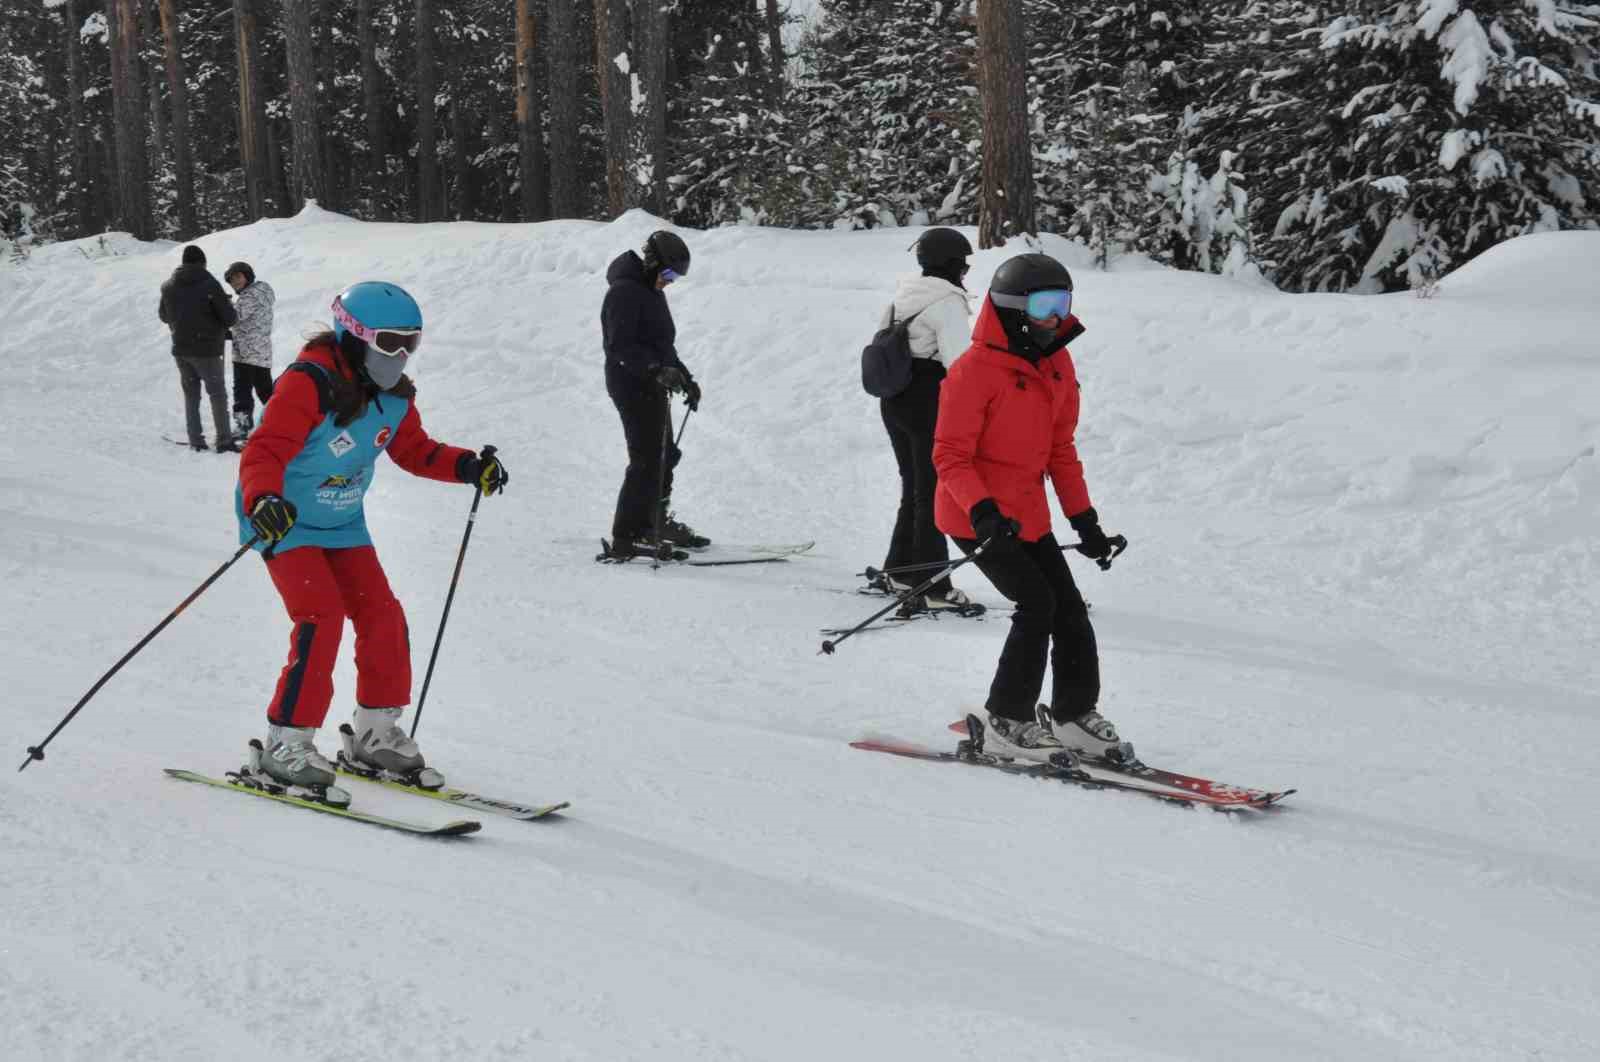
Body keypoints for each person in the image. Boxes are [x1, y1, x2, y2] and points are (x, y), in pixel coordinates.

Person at [235, 281, 508, 804]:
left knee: (383, 614)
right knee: (320, 615)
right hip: (283, 520)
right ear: (353, 336)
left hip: (342, 522)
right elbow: (265, 449)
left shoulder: (394, 398)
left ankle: (374, 733)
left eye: (412, 342)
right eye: (390, 342)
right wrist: (263, 499)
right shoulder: (307, 383)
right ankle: (285, 743)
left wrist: (467, 465)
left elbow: (415, 451)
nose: (401, 354)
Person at [932, 252, 1130, 765]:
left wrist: (1085, 522)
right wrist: (982, 512)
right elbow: (949, 456)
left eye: (1063, 303)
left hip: (1028, 515)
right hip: (973, 514)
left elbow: (1060, 449)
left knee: (1068, 607)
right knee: (1036, 605)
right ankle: (1005, 719)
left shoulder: (1057, 363)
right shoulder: (973, 371)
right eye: (1046, 304)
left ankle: (1073, 716)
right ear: (1013, 308)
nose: (1057, 316)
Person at [876, 227, 975, 609]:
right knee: (932, 492)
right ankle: (932, 584)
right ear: (951, 263)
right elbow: (959, 363)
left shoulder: (904, 295)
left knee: (914, 487)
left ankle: (899, 571)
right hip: (927, 401)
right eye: (963, 264)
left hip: (894, 399)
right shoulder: (947, 302)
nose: (965, 271)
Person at [601, 229, 708, 558]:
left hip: (652, 383)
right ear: (652, 263)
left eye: (677, 276)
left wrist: (685, 379)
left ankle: (654, 522)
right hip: (630, 383)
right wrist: (654, 370)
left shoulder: (651, 290)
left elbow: (663, 345)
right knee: (646, 459)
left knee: (665, 455)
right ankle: (627, 534)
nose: (672, 281)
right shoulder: (623, 293)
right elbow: (619, 346)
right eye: (670, 273)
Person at [159, 244, 237, 452]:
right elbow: (229, 318)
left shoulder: (168, 286)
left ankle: (196, 440)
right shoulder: (209, 284)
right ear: (202, 262)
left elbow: (164, 316)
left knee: (192, 395)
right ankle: (224, 440)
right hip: (208, 349)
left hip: (181, 349)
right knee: (217, 394)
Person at [224, 261, 276, 440]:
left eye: (238, 276)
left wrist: (223, 306)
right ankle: (281, 420)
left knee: (242, 391)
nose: (235, 282)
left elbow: (234, 318)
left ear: (248, 275)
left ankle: (243, 426)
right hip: (260, 352)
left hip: (247, 354)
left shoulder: (249, 296)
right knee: (265, 391)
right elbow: (250, 324)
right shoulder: (262, 293)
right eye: (231, 280)